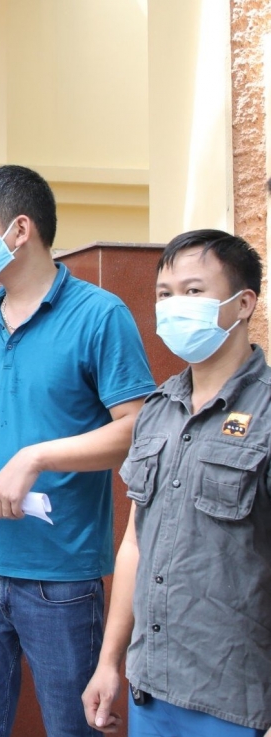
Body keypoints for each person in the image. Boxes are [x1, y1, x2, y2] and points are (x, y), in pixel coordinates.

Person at [0, 165, 156, 737]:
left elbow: (138, 428)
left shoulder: (100, 315)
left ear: (19, 230)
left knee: (72, 728)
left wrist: (36, 458)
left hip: (59, 575)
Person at [82, 230, 271, 736]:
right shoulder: (158, 410)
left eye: (193, 291)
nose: (174, 306)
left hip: (234, 700)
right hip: (151, 687)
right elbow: (135, 544)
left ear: (243, 303)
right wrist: (109, 662)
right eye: (164, 294)